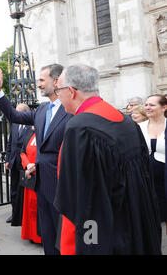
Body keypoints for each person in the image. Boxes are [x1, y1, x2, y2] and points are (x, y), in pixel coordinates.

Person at [54, 64, 162, 255]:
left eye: (58, 90)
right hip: (134, 225)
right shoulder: (126, 121)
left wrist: (89, 244)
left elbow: (82, 201)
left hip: (104, 234)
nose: (58, 95)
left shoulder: (80, 128)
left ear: (71, 91)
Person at [0, 65, 73, 255]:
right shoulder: (42, 109)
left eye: (41, 80)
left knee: (64, 238)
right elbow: (14, 115)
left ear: (56, 81)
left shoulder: (71, 110)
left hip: (62, 185)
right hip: (41, 184)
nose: (37, 84)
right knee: (48, 235)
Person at [139, 94, 167, 229]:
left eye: (152, 105)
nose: (147, 107)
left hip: (165, 181)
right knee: (151, 220)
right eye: (146, 105)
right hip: (147, 180)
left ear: (164, 107)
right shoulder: (139, 127)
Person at [5, 103, 31, 226]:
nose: (15, 114)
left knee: (24, 190)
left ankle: (24, 215)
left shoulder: (31, 125)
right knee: (14, 189)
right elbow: (10, 143)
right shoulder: (14, 124)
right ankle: (15, 213)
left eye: (17, 112)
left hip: (25, 164)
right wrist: (7, 159)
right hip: (14, 162)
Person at [20, 125, 42, 244]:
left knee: (39, 208)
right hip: (30, 176)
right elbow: (22, 152)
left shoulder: (45, 135)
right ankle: (31, 235)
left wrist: (34, 167)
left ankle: (41, 237)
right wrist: (27, 165)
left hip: (41, 176)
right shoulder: (28, 134)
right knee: (30, 208)